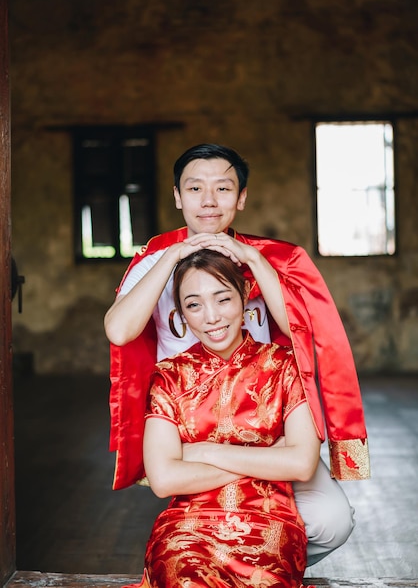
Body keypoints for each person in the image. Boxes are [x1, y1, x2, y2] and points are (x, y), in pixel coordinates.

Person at [104, 143, 370, 566]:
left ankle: (258, 559)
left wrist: (251, 257)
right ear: (177, 196)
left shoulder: (271, 259)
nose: (208, 200)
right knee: (203, 527)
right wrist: (173, 255)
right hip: (194, 426)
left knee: (332, 520)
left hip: (263, 423)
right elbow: (119, 330)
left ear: (241, 197)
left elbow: (300, 326)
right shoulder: (153, 261)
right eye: (195, 188)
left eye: (223, 188)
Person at [140, 249, 321, 587]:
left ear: (245, 299)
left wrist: (204, 452)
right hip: (187, 524)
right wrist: (269, 456)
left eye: (222, 299)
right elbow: (164, 480)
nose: (211, 316)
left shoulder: (284, 366)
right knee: (182, 575)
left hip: (270, 520)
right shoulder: (169, 376)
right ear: (181, 315)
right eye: (194, 305)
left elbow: (301, 465)